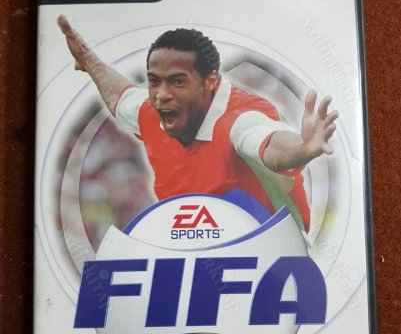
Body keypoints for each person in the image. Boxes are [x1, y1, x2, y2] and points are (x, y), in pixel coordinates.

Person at [57, 16, 338, 232]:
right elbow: (121, 97)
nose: (161, 94)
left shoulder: (240, 120)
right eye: (154, 81)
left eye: (177, 81)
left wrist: (302, 149)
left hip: (270, 256)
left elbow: (269, 145)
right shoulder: (155, 111)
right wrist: (90, 62)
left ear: (210, 81)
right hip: (195, 248)